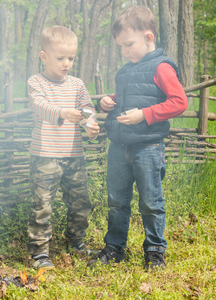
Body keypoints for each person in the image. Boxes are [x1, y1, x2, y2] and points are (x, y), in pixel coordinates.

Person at [88, 6, 188, 270]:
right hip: (119, 146)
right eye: (121, 46)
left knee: (151, 201)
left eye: (128, 44)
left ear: (148, 37)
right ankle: (114, 248)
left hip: (147, 147)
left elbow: (179, 102)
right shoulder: (125, 70)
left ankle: (154, 251)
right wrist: (110, 102)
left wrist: (144, 114)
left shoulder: (162, 68)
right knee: (117, 200)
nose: (125, 51)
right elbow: (131, 97)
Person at [27, 25, 100, 270]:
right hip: (45, 155)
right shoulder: (36, 82)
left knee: (80, 203)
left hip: (73, 155)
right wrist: (63, 113)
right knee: (42, 205)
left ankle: (76, 242)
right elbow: (39, 106)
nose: (66, 63)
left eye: (71, 58)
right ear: (44, 56)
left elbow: (87, 108)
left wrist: (90, 123)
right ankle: (40, 253)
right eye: (60, 58)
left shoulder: (77, 85)